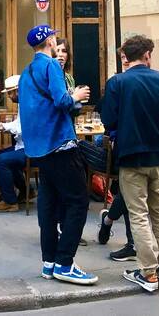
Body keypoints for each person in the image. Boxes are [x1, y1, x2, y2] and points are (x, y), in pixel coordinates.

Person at [101, 35, 159, 292]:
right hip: (158, 157)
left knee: (138, 215)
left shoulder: (118, 83)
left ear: (127, 56)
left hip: (131, 157)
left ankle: (148, 273)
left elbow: (108, 120)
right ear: (147, 55)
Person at [19, 25, 96, 285]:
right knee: (78, 201)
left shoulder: (26, 72)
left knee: (49, 206)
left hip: (39, 149)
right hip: (60, 144)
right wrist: (77, 95)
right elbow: (62, 101)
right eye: (54, 38)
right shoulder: (52, 66)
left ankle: (49, 262)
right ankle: (65, 263)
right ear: (50, 41)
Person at [96, 51, 137, 262]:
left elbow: (107, 116)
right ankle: (133, 244)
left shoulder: (118, 83)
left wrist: (113, 133)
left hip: (128, 148)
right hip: (138, 150)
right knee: (128, 194)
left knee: (128, 193)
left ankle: (109, 221)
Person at [0, 75, 28, 213]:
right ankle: (26, 192)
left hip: (29, 148)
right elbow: (18, 125)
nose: (9, 96)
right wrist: (4, 126)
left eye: (10, 93)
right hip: (23, 146)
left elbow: (22, 128)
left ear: (18, 90)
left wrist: (4, 127)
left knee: (1, 160)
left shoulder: (26, 104)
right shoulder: (23, 102)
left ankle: (10, 201)